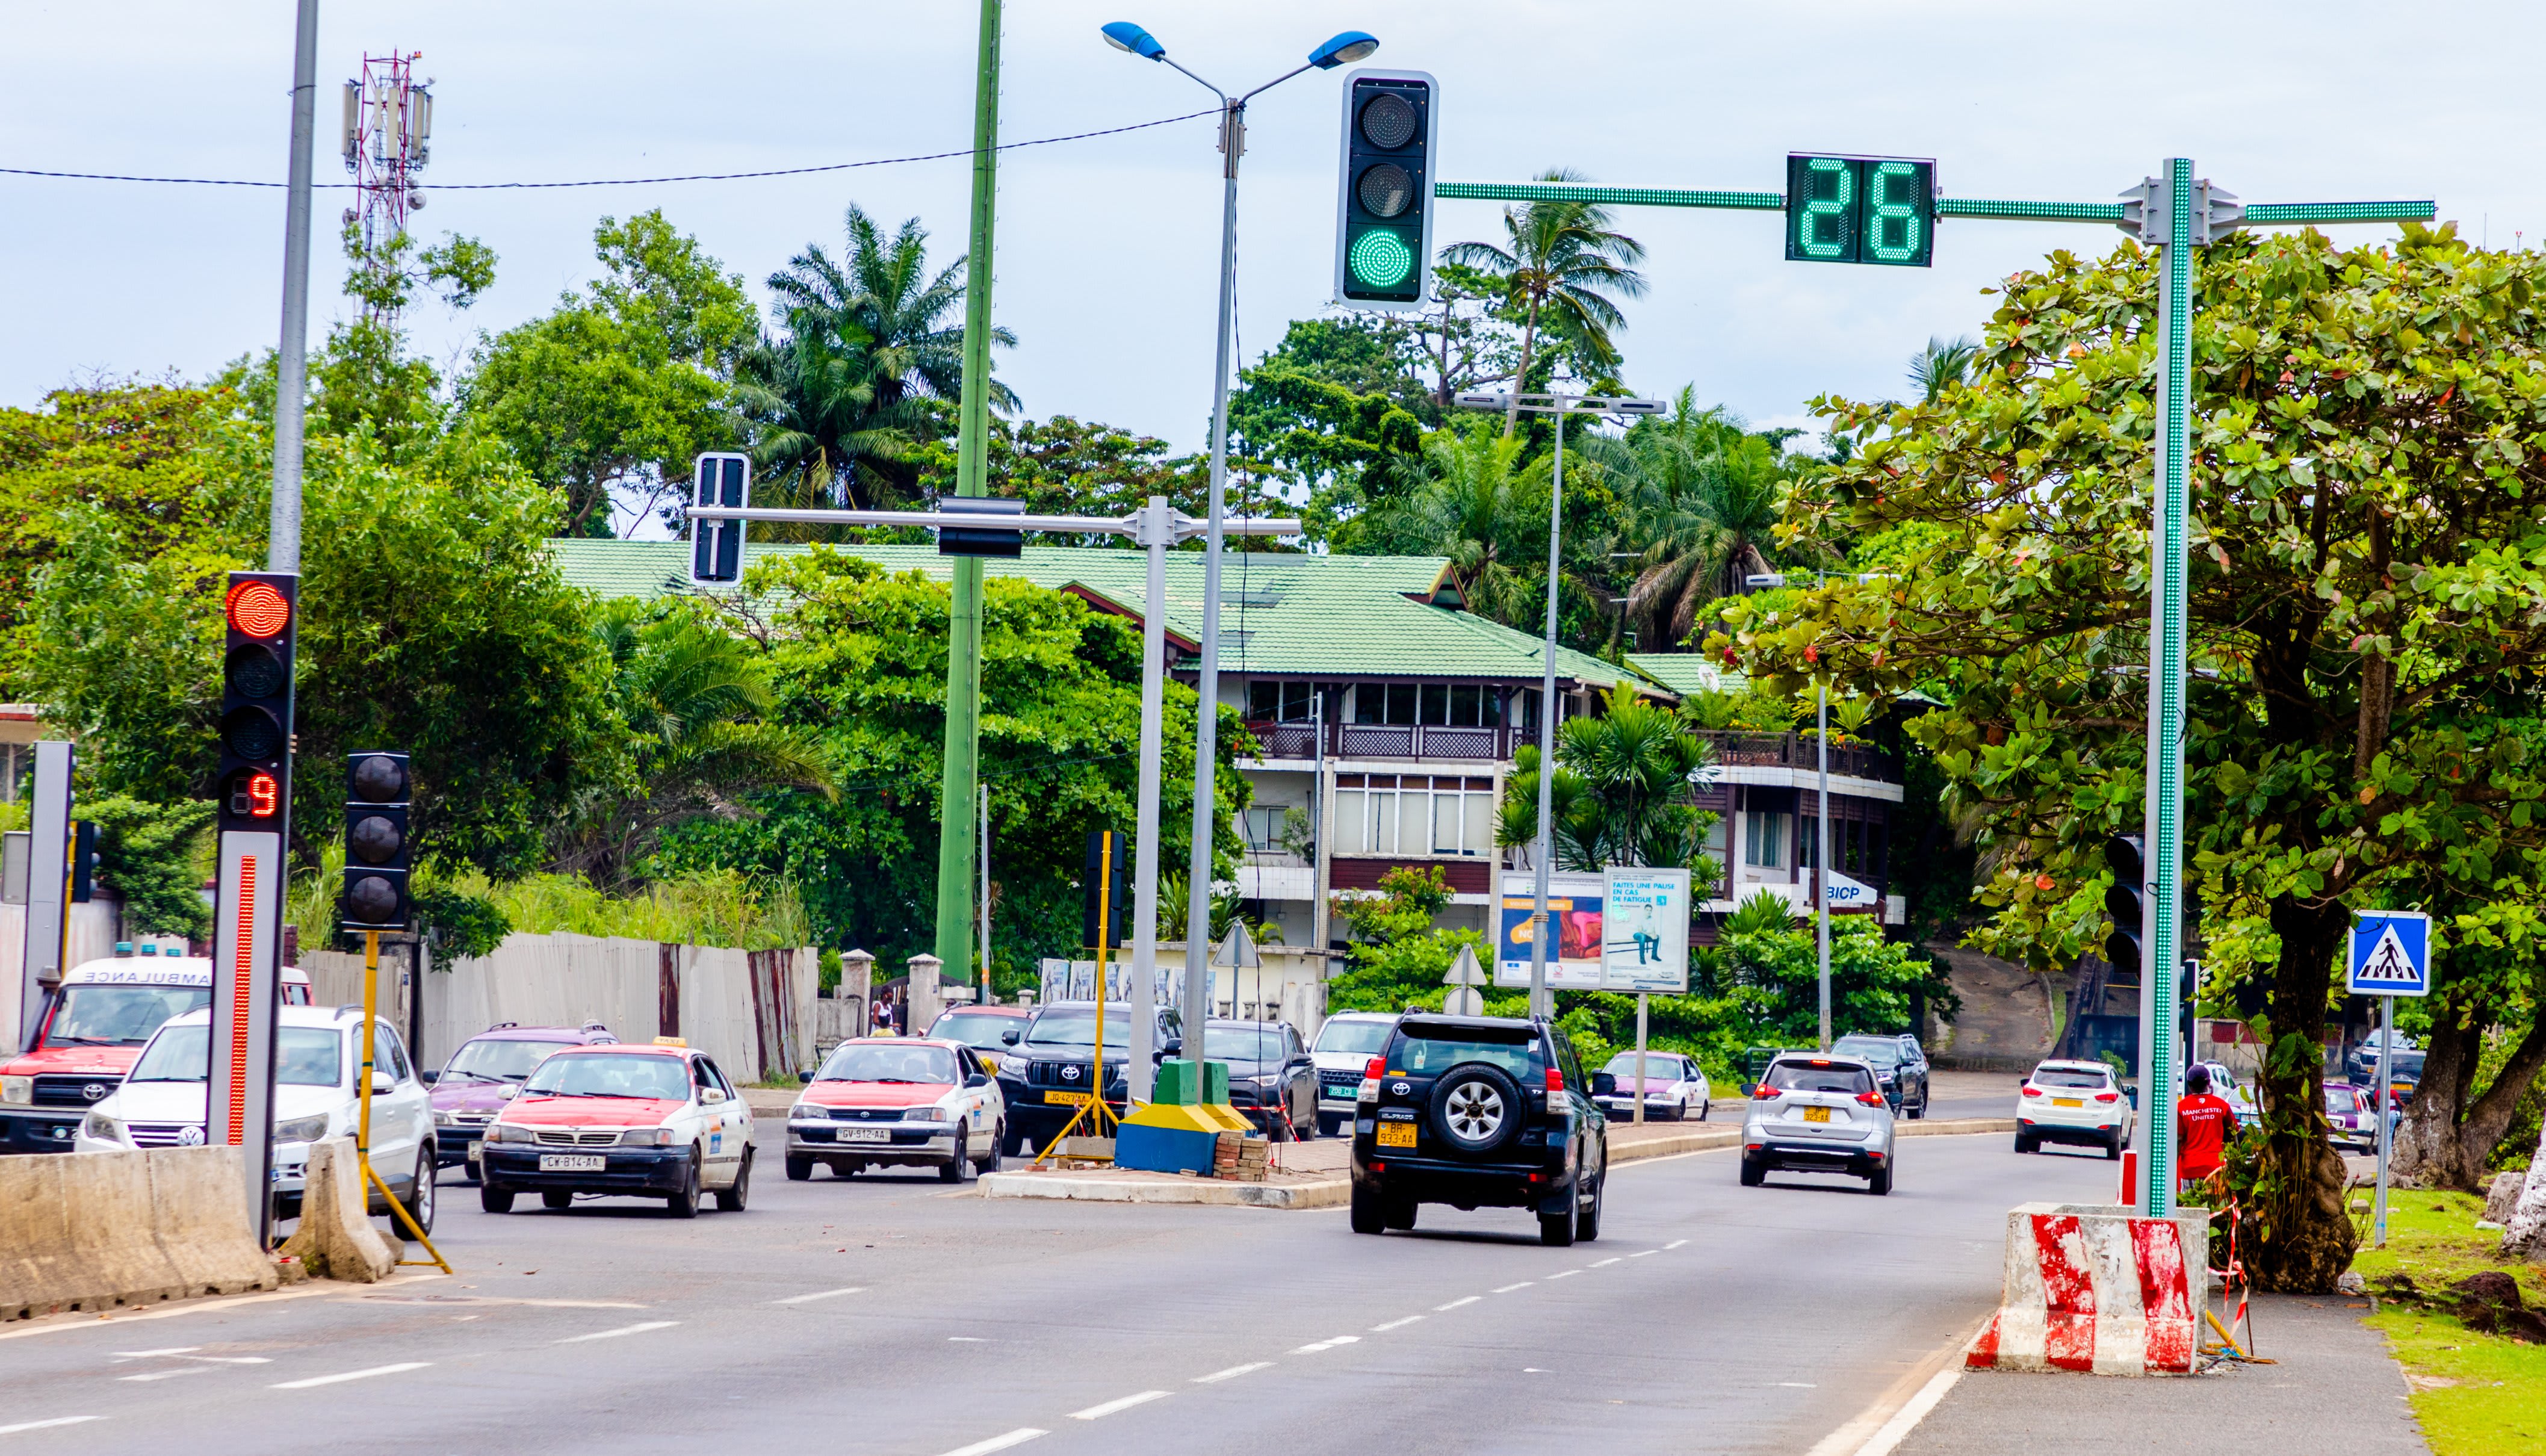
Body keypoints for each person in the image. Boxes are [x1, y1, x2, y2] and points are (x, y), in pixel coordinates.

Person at [2177, 1062, 2238, 1202]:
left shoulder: (2181, 1108)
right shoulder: (2221, 1105)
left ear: (2189, 1084)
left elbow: (2179, 1140)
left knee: (2191, 1208)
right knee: (2215, 1209)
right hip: (2216, 1169)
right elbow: (2233, 1135)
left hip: (2189, 1169)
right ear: (2209, 1083)